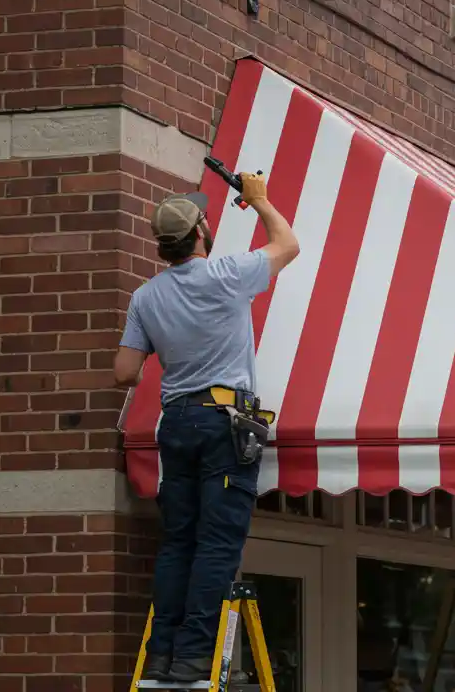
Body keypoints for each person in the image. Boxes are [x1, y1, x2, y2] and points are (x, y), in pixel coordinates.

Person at [113, 173, 300, 681]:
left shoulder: (145, 298)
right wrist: (260, 199)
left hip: (174, 422)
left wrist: (172, 345)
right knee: (217, 543)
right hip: (225, 422)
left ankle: (163, 654)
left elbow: (125, 372)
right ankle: (195, 656)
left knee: (179, 541)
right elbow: (288, 244)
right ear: (201, 232)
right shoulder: (227, 275)